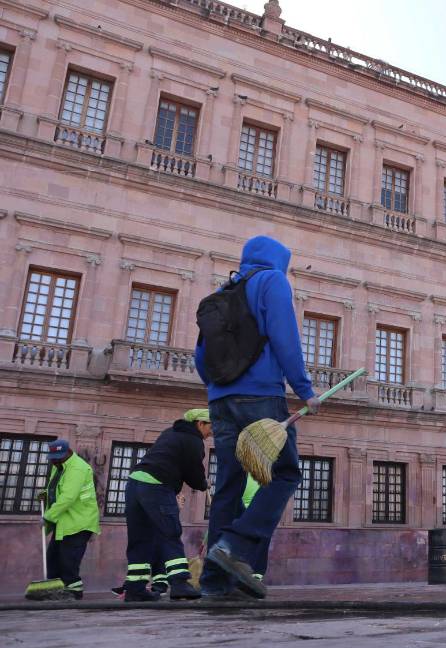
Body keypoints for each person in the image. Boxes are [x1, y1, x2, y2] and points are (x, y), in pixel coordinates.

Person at [194, 234, 320, 600]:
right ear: (279, 261)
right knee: (284, 472)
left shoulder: (225, 289)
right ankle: (235, 545)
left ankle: (215, 583)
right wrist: (304, 389)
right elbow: (285, 337)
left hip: (220, 399)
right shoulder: (272, 281)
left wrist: (219, 388)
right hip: (260, 395)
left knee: (229, 484)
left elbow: (201, 355)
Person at [121, 409, 212, 602]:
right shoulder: (194, 441)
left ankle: (135, 589)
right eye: (211, 427)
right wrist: (204, 483)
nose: (212, 432)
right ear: (200, 424)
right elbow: (194, 474)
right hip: (156, 486)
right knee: (170, 533)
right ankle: (179, 584)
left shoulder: (169, 433)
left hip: (134, 483)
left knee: (140, 538)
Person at [39, 439, 100, 599]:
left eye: (58, 456)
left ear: (68, 453)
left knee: (68, 561)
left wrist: (48, 516)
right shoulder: (59, 466)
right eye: (53, 457)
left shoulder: (78, 468)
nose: (55, 459)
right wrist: (45, 494)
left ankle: (74, 592)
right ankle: (53, 590)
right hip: (65, 521)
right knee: (53, 558)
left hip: (80, 522)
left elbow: (68, 497)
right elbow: (55, 487)